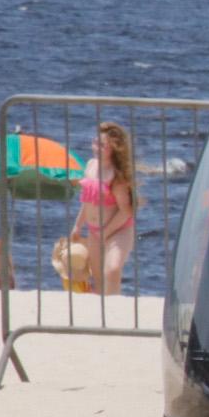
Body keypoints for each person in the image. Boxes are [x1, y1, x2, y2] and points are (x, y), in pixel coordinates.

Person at [69, 121, 138, 293]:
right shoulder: (91, 165)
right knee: (98, 278)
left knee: (112, 270)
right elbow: (87, 201)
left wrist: (106, 231)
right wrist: (78, 225)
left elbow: (127, 211)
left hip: (118, 231)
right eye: (95, 142)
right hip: (94, 231)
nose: (96, 147)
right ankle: (103, 316)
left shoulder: (116, 176)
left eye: (102, 145)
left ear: (114, 148)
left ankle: (115, 309)